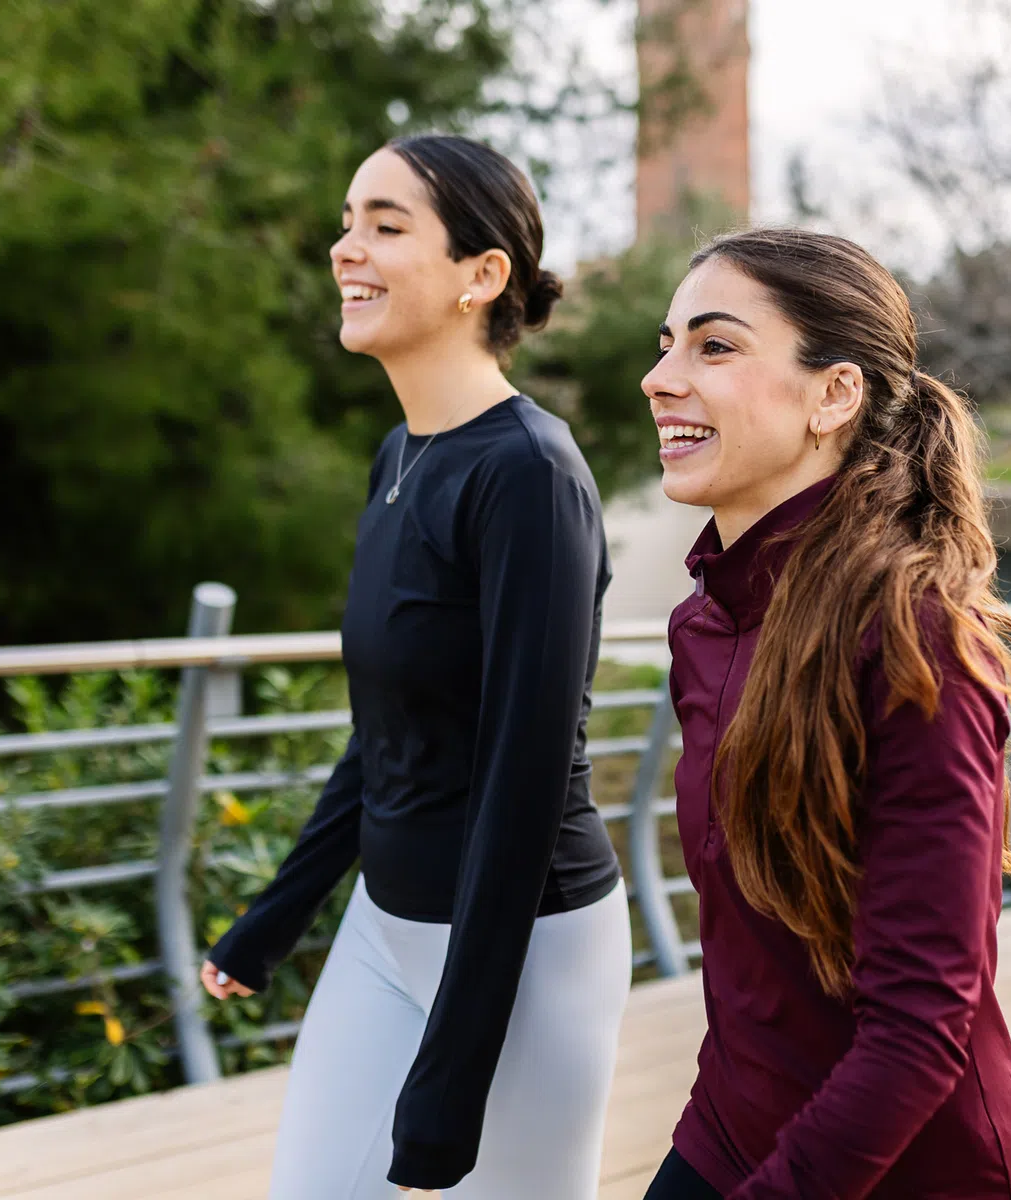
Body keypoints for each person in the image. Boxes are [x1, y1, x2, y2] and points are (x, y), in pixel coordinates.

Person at [199, 134, 630, 1199]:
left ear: (483, 276)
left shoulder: (530, 476)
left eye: (387, 226)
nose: (348, 248)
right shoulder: (405, 454)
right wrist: (277, 916)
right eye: (349, 221)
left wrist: (452, 1079)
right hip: (384, 925)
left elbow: (521, 788)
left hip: (525, 955)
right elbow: (395, 729)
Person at [637, 227, 1011, 1200]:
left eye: (714, 346)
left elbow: (922, 1029)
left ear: (835, 394)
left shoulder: (919, 646)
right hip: (730, 1129)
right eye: (664, 345)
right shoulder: (704, 624)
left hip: (917, 1173)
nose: (661, 378)